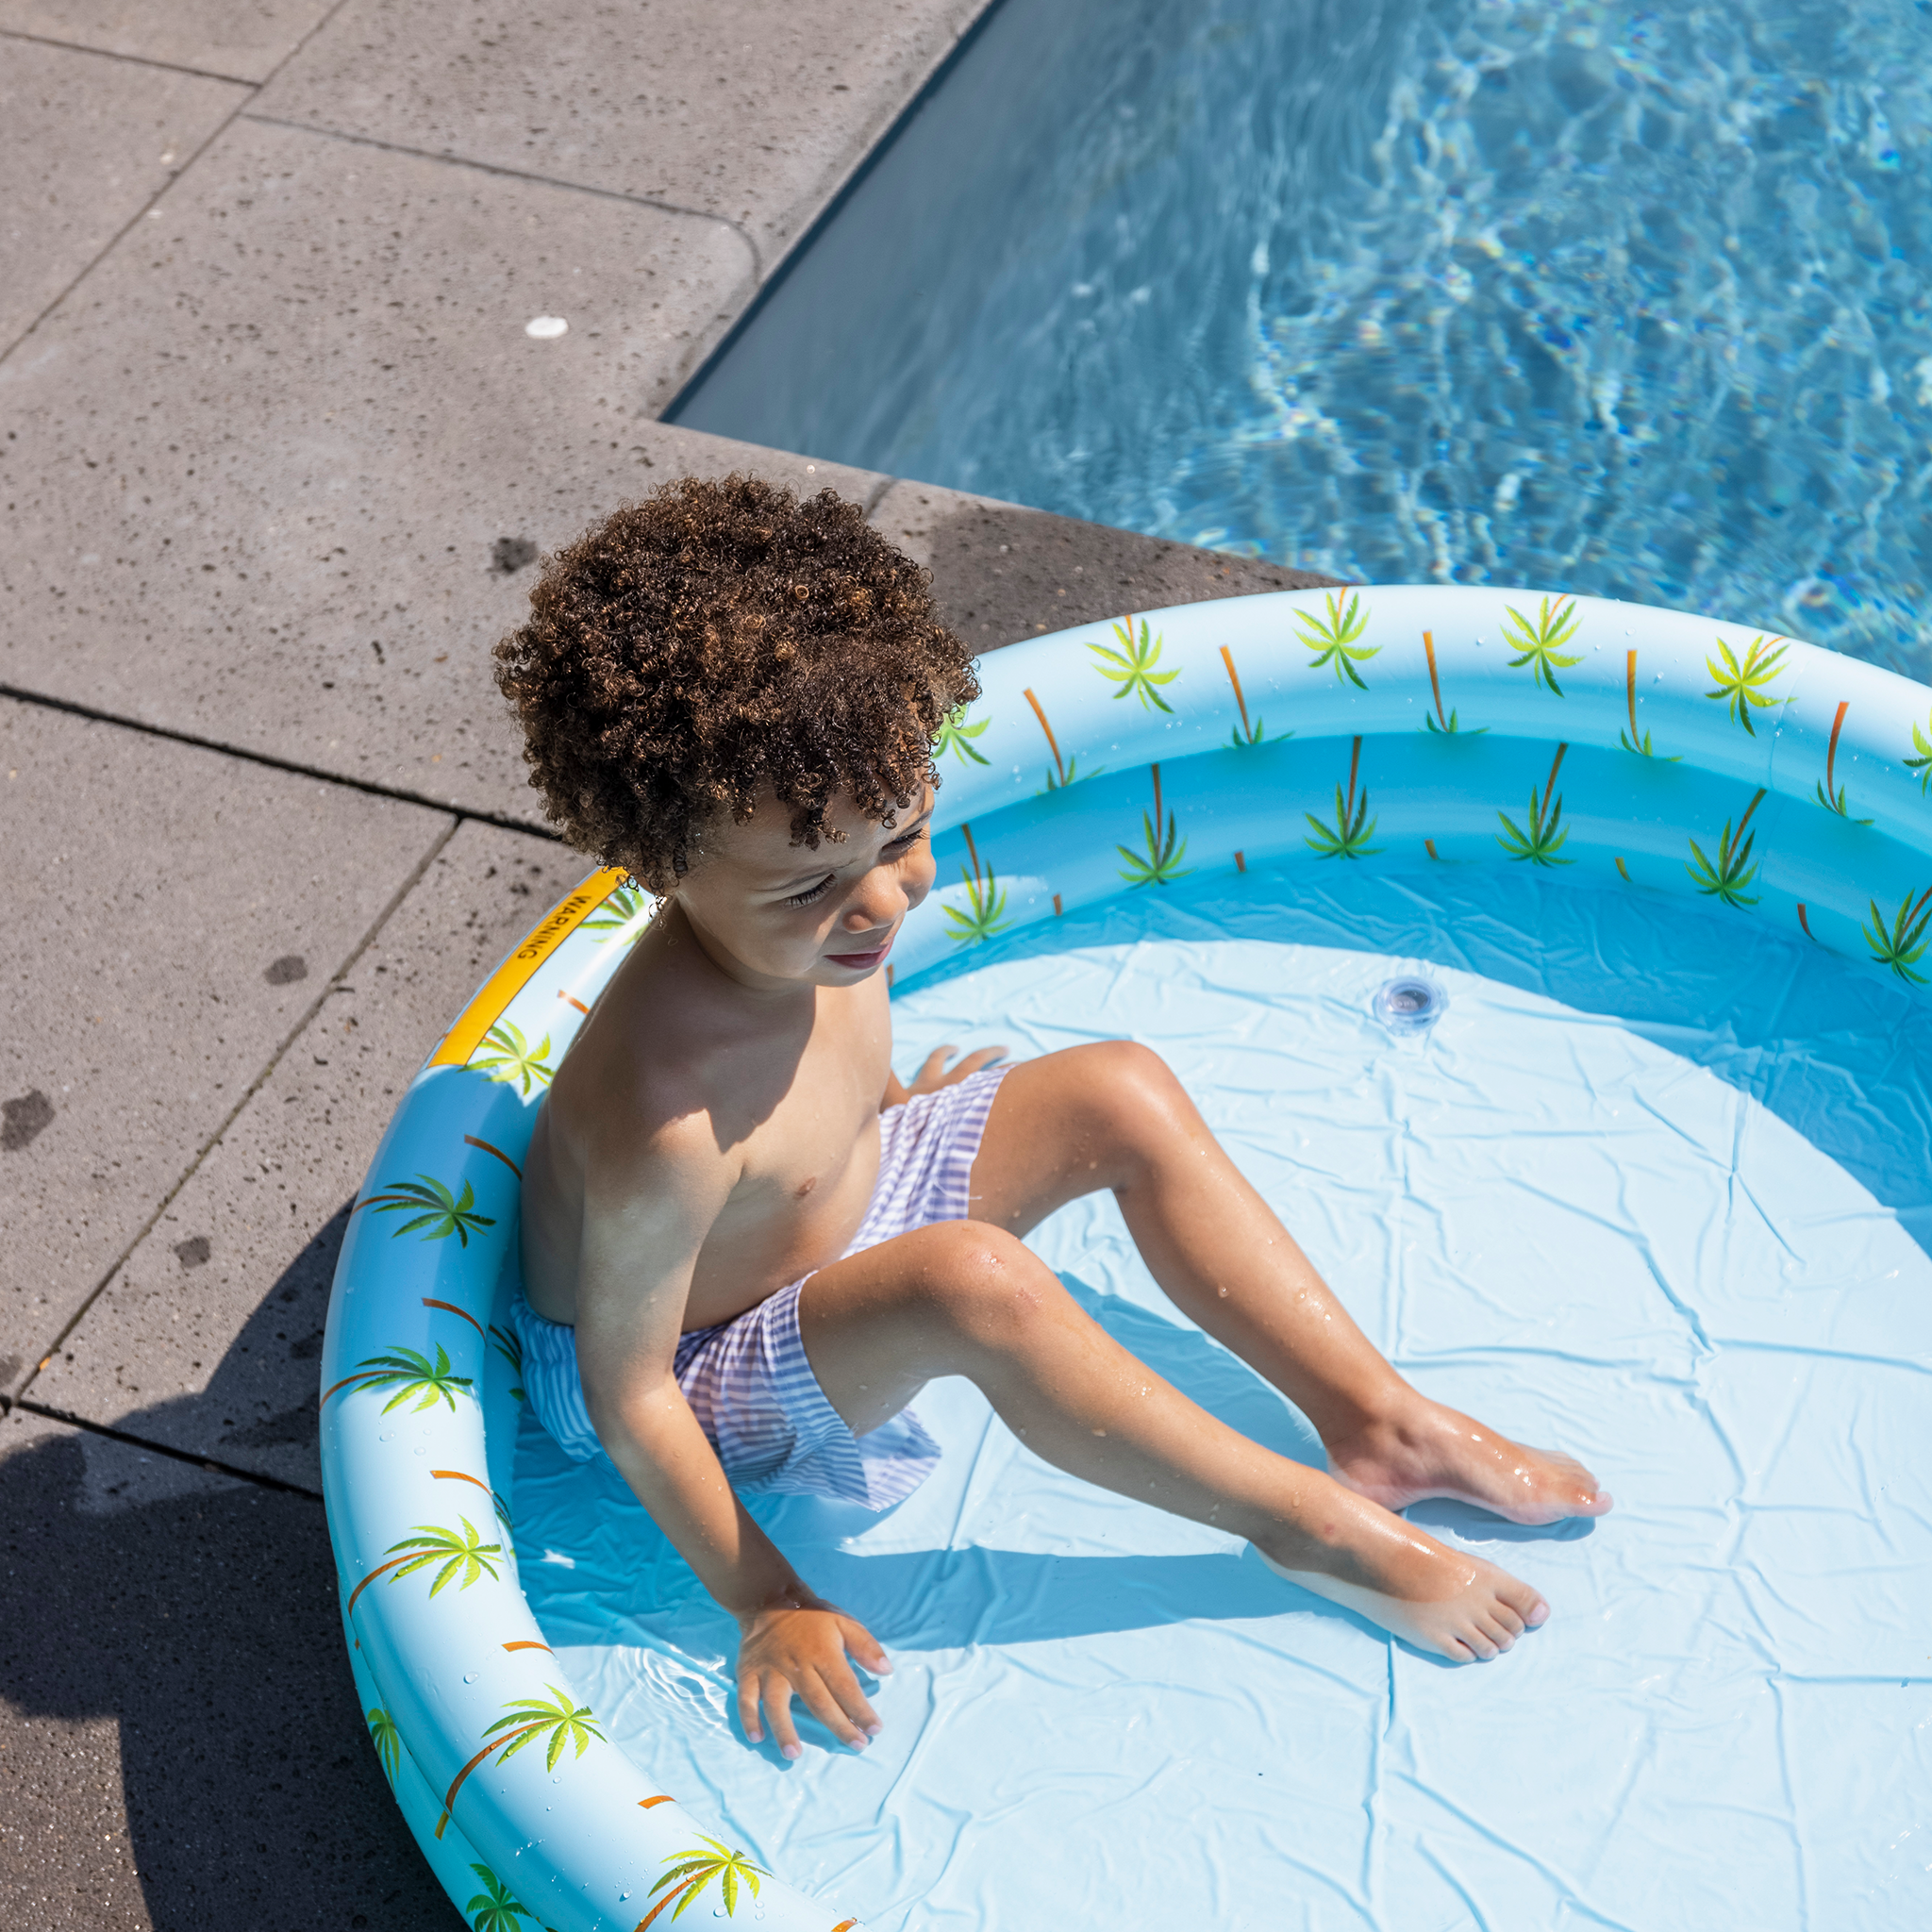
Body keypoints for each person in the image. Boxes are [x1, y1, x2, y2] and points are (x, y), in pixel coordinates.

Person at [493, 475, 1611, 1762]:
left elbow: (825, 1033)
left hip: (832, 1223)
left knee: (1115, 1088)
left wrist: (870, 1120)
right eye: (813, 883)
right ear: (665, 868)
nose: (882, 903)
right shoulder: (665, 1121)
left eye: (904, 834)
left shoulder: (828, 923)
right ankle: (1308, 1528)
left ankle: (1380, 1421)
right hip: (696, 1374)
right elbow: (625, 1396)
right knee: (975, 1283)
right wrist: (768, 1599)